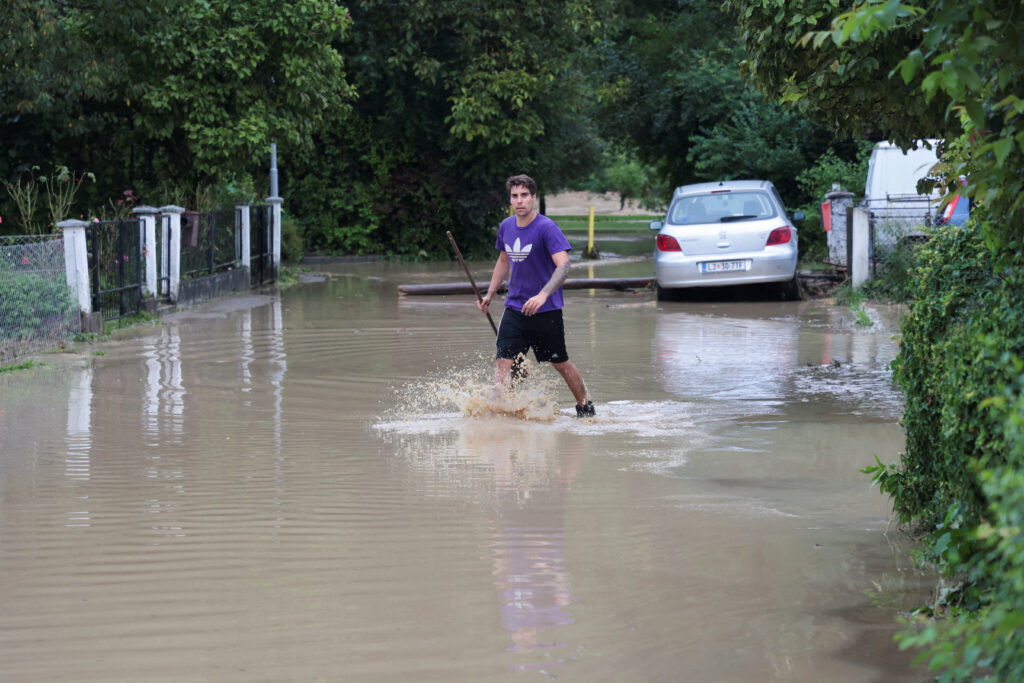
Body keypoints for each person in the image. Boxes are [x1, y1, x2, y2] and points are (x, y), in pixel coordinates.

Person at [477, 174, 595, 417]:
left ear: (533, 198)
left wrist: (542, 295)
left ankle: (585, 406)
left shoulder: (547, 228)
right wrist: (489, 294)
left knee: (559, 363)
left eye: (524, 195)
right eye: (514, 196)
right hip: (515, 309)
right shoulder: (506, 227)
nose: (519, 201)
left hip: (546, 310)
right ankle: (500, 417)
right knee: (503, 363)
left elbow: (563, 266)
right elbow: (503, 260)